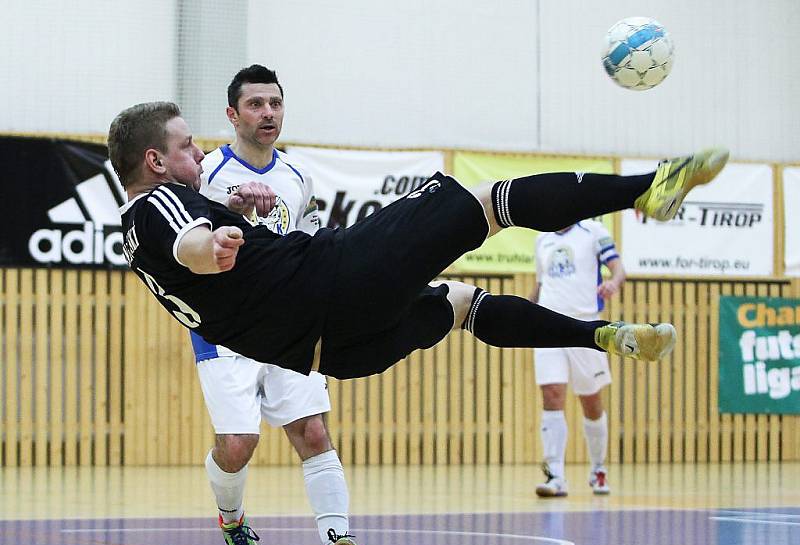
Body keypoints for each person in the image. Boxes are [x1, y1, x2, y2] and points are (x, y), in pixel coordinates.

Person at [110, 100, 727, 440]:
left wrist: (229, 217)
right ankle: (651, 187)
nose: (199, 152)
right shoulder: (163, 206)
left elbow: (187, 252)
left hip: (337, 353)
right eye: (187, 145)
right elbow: (190, 241)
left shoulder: (134, 236)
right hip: (335, 283)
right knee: (492, 201)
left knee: (459, 304)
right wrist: (213, 240)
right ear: (155, 160)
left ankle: (601, 336)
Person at [191, 65, 360, 545]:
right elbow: (190, 248)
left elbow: (304, 242)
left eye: (275, 104)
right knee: (238, 444)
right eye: (256, 104)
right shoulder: (207, 175)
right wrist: (230, 213)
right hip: (226, 328)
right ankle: (233, 522)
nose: (268, 113)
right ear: (232, 114)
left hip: (288, 324)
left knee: (312, 432)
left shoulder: (297, 176)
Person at [529, 220, 625, 497]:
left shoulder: (595, 232)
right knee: (552, 393)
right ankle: (555, 475)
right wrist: (524, 311)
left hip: (585, 326)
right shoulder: (542, 239)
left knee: (591, 400)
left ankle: (598, 468)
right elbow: (540, 284)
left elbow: (617, 268)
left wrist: (613, 283)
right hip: (547, 327)